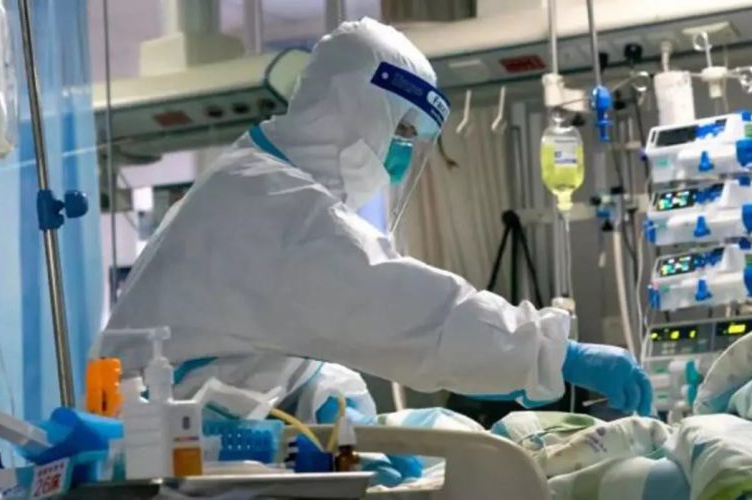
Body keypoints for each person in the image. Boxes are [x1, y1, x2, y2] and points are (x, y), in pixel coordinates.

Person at [94, 18, 651, 430]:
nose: (403, 157)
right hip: (159, 452)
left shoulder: (258, 182)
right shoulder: (272, 205)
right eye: (402, 133)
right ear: (355, 108)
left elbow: (265, 351)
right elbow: (414, 311)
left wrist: (335, 399)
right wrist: (552, 354)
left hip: (185, 441)